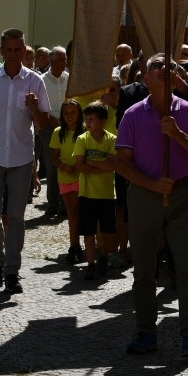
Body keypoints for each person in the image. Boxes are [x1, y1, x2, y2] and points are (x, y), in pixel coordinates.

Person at [115, 54, 188, 357]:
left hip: (183, 195)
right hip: (145, 196)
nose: (165, 69)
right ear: (145, 79)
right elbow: (121, 163)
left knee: (187, 266)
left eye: (170, 67)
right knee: (144, 269)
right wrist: (152, 185)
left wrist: (177, 134)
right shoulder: (132, 114)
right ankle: (146, 332)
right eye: (157, 66)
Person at [0, 28, 51, 293]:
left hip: (21, 158)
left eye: (19, 50)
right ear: (2, 51)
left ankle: (12, 270)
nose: (14, 55)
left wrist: (35, 108)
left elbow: (43, 124)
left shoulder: (35, 81)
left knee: (16, 216)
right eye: (9, 50)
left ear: (25, 50)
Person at [75, 102, 117, 281]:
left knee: (107, 230)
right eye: (86, 119)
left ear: (103, 121)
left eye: (92, 119)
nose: (88, 122)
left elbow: (114, 164)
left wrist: (91, 162)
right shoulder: (82, 139)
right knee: (88, 231)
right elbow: (80, 166)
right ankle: (91, 264)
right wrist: (103, 166)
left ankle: (104, 256)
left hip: (107, 194)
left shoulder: (112, 140)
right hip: (87, 194)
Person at [50, 99, 84, 263]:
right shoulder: (58, 132)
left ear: (79, 114)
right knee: (71, 213)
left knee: (75, 212)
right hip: (64, 176)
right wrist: (63, 167)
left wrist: (78, 167)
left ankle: (75, 245)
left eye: (73, 113)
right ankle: (75, 245)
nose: (69, 116)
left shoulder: (84, 131)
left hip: (80, 176)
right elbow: (54, 156)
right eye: (66, 113)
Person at [39, 46, 69, 217]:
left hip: (68, 126)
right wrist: (48, 118)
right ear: (52, 62)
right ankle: (52, 203)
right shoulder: (41, 80)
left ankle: (65, 203)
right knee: (51, 167)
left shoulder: (69, 78)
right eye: (62, 60)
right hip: (49, 126)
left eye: (65, 59)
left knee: (66, 164)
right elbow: (37, 104)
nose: (65, 63)